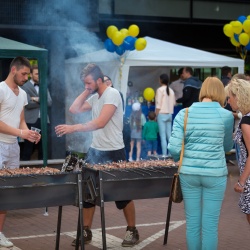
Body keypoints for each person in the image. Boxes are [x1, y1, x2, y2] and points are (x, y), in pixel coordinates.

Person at [55, 63, 139, 247]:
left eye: (89, 82)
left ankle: (132, 230)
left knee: (122, 194)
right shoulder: (95, 96)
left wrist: (74, 127)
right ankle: (85, 231)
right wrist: (87, 90)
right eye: (84, 83)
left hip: (114, 150)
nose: (86, 85)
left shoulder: (112, 94)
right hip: (95, 150)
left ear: (99, 80)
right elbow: (74, 109)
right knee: (87, 194)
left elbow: (100, 122)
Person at [168, 76, 234, 250]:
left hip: (189, 174)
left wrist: (181, 160)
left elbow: (174, 147)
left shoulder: (185, 113)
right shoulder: (226, 116)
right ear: (221, 93)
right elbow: (228, 146)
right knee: (210, 225)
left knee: (192, 223)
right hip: (215, 173)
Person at [0, 56, 41, 248]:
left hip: (13, 148)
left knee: (6, 193)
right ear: (13, 70)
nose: (26, 78)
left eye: (27, 74)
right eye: (24, 73)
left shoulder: (23, 94)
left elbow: (21, 119)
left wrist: (29, 134)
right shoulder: (0, 89)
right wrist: (20, 132)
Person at [227, 78, 250, 225]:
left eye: (229, 97)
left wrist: (241, 181)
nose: (228, 101)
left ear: (239, 96)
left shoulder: (246, 121)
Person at [21, 65, 52, 160]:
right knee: (28, 147)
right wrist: (42, 101)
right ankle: (24, 169)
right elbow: (27, 104)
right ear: (31, 74)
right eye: (37, 74)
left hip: (44, 120)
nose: (39, 76)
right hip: (31, 120)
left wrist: (36, 99)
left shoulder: (43, 86)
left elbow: (50, 102)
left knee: (43, 147)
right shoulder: (24, 87)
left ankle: (43, 169)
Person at [155, 73, 176, 157]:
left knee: (163, 136)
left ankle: (164, 154)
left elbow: (158, 104)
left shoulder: (160, 90)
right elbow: (174, 103)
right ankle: (171, 154)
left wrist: (156, 115)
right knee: (169, 135)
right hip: (169, 114)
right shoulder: (171, 91)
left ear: (160, 80)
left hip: (161, 114)